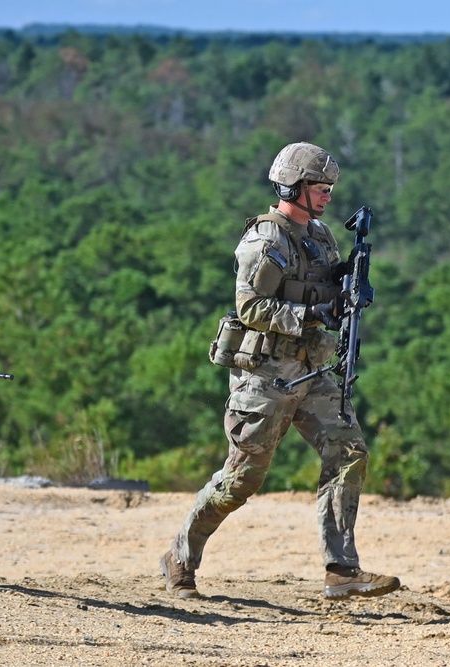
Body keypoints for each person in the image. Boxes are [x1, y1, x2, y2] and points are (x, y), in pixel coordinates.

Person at [160, 142, 400, 600]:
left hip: (311, 372)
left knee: (348, 451)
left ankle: (341, 570)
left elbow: (327, 287)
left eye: (330, 188)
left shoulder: (322, 235)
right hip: (265, 377)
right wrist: (315, 313)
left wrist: (351, 287)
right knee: (240, 480)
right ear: (294, 186)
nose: (328, 195)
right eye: (320, 187)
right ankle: (180, 557)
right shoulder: (265, 241)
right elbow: (250, 306)